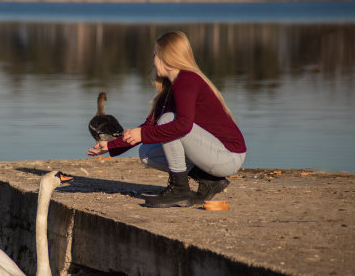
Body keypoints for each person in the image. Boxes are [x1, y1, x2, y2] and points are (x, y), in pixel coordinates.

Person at [87, 31, 246, 208]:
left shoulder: (187, 80)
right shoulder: (171, 87)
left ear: (167, 58)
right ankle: (209, 181)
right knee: (147, 152)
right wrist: (110, 146)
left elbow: (182, 126)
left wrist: (143, 134)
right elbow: (148, 127)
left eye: (156, 54)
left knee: (168, 121)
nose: (153, 60)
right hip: (212, 155)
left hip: (228, 156)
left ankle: (179, 190)